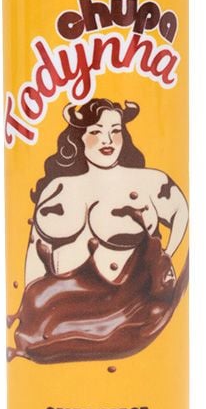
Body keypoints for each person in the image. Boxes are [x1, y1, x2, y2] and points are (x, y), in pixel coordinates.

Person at [23, 98, 189, 287]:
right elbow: (36, 251)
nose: (108, 140)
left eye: (116, 131)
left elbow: (181, 211)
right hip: (61, 301)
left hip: (137, 301)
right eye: (96, 132)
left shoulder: (148, 180)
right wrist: (30, 296)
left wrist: (166, 257)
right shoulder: (57, 188)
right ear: (79, 137)